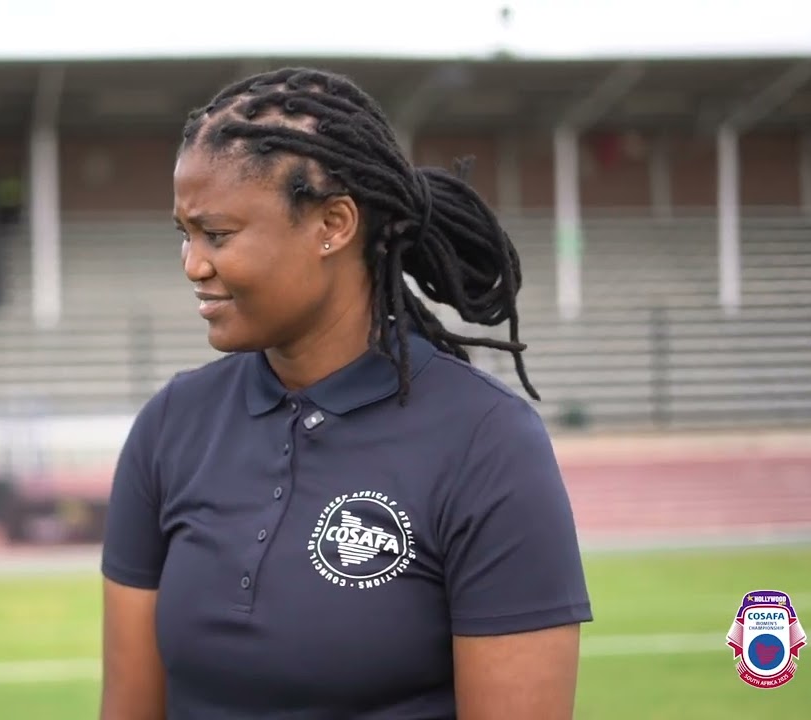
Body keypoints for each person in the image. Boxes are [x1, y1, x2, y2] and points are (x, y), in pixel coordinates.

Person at [100, 67, 592, 720]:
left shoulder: (488, 443)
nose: (193, 263)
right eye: (184, 235)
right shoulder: (171, 426)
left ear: (333, 224)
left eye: (216, 234)